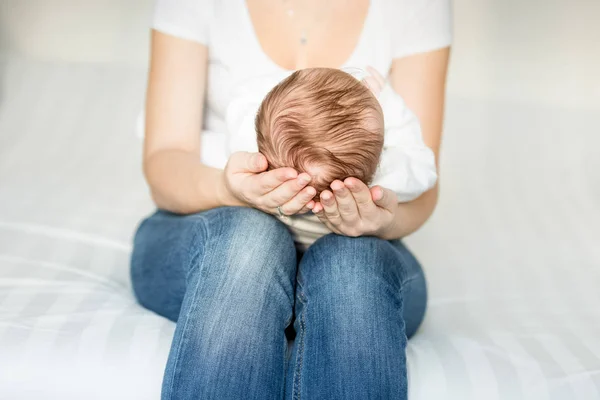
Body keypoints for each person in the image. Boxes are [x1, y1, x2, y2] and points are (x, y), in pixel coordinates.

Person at [130, 1, 452, 399]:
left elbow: (422, 176)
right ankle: (265, 264)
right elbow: (165, 164)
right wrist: (228, 190)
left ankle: (330, 269)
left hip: (355, 250)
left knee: (352, 262)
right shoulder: (245, 126)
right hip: (212, 227)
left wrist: (379, 220)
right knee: (249, 237)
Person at [229, 66, 437, 248]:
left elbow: (240, 100)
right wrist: (391, 106)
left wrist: (285, 81)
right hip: (340, 244)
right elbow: (424, 168)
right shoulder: (384, 182)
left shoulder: (252, 158)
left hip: (270, 231)